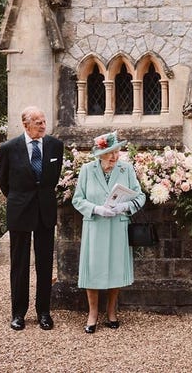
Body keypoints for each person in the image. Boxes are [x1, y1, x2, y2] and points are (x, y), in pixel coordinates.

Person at [0, 106, 64, 331]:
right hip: (20, 211)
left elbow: (52, 180)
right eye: (38, 122)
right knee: (19, 264)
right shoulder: (8, 148)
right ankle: (18, 313)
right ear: (25, 125)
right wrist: (20, 200)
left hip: (45, 212)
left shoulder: (56, 146)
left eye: (44, 121)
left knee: (45, 264)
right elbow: (3, 181)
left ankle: (44, 312)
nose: (43, 126)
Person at [72, 131, 146, 333]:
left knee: (115, 267)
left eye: (117, 151)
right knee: (93, 269)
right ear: (99, 154)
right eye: (109, 152)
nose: (114, 156)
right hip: (95, 225)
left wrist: (124, 207)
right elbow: (77, 199)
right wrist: (96, 209)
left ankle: (111, 311)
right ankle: (93, 313)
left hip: (117, 225)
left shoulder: (126, 169)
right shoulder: (87, 170)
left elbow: (140, 198)